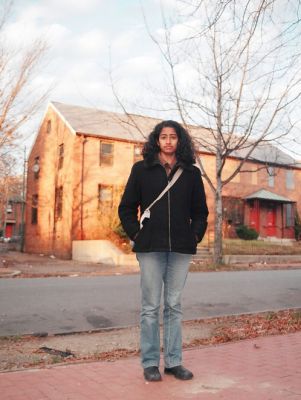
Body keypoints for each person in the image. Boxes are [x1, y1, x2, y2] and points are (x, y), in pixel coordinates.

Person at [118, 120, 208, 382]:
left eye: (173, 137)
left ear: (180, 141)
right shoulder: (141, 170)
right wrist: (137, 233)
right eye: (163, 137)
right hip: (150, 248)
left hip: (180, 249)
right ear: (156, 140)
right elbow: (126, 207)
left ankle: (173, 362)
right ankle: (149, 363)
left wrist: (194, 235)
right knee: (149, 307)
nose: (168, 141)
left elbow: (200, 211)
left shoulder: (191, 174)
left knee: (173, 305)